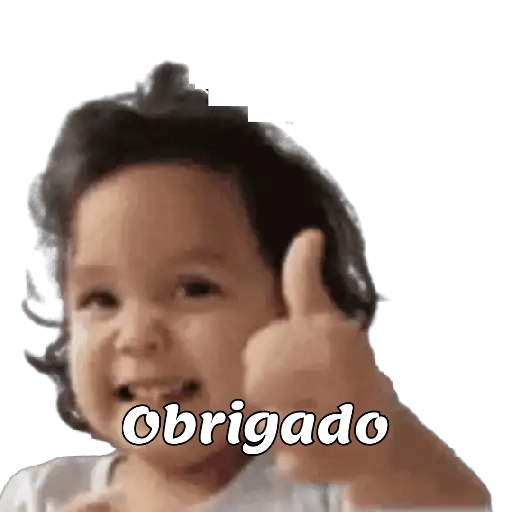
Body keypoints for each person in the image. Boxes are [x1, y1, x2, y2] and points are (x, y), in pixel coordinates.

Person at [2, 63, 489, 511]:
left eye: (194, 288)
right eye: (100, 299)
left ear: (287, 309)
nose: (137, 336)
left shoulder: (331, 485)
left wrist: (379, 444)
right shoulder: (42, 497)